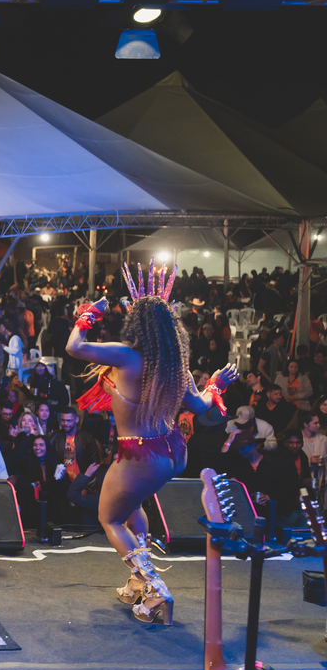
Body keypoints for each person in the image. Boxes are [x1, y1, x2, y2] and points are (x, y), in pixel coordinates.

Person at [67, 261, 234, 625]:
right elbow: (200, 406)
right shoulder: (176, 366)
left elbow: (74, 347)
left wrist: (89, 314)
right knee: (132, 506)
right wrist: (215, 385)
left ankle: (155, 587)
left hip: (140, 454)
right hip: (172, 452)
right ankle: (136, 581)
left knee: (109, 518)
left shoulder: (126, 355)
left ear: (136, 325)